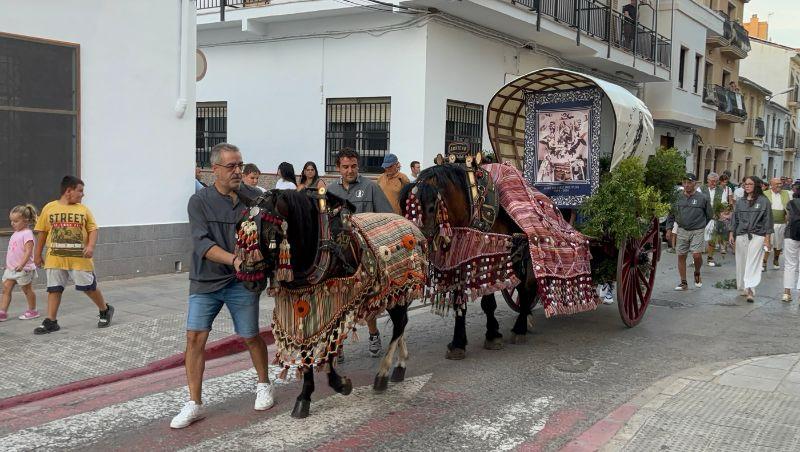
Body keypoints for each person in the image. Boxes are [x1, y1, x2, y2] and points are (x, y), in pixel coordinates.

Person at [171, 143, 274, 429]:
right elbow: (202, 244)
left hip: (242, 282)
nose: (238, 171)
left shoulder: (254, 198)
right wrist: (235, 260)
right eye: (231, 166)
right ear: (215, 169)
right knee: (194, 338)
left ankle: (264, 384)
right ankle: (194, 403)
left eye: (240, 165)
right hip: (206, 280)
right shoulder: (199, 201)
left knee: (250, 335)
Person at [327, 148, 393, 357]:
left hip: (365, 256)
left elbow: (386, 216)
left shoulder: (370, 187)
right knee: (339, 302)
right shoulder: (329, 190)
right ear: (338, 168)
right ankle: (339, 342)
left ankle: (373, 334)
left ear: (358, 166)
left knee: (367, 299)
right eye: (345, 167)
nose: (350, 170)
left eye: (353, 166)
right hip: (339, 258)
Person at [32, 176, 113, 334]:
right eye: (80, 191)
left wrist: (90, 246)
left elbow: (93, 229)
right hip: (55, 258)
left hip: (79, 259)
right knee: (54, 289)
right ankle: (51, 321)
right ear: (68, 191)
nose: (83, 194)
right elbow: (42, 233)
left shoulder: (83, 210)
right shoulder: (49, 208)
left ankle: (105, 309)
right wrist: (37, 254)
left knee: (88, 288)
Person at [729, 176, 773, 303]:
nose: (747, 186)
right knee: (741, 261)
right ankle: (744, 286)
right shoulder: (740, 201)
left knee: (752, 262)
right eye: (745, 184)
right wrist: (731, 234)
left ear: (756, 185)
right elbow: (735, 219)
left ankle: (750, 291)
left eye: (750, 184)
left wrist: (767, 239)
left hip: (758, 235)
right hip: (741, 234)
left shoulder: (764, 201)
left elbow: (768, 220)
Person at [669, 173, 713, 291]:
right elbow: (671, 213)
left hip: (697, 230)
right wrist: (669, 228)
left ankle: (697, 272)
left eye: (689, 182)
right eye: (684, 182)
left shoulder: (702, 198)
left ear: (695, 183)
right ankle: (683, 282)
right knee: (681, 255)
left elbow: (709, 215)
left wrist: (701, 225)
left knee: (696, 255)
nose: (686, 185)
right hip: (682, 229)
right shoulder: (677, 197)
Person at [1, 205, 39, 322]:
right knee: (6, 289)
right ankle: (2, 312)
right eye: (11, 221)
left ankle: (32, 310)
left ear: (26, 221)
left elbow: (28, 251)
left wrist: (22, 264)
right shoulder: (15, 233)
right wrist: (9, 265)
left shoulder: (27, 233)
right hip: (12, 269)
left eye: (16, 221)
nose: (12, 223)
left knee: (27, 290)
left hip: (23, 269)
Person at [700, 172, 732, 267]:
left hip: (715, 217)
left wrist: (723, 212)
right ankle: (697, 258)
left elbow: (724, 203)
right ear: (708, 180)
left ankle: (710, 258)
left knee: (712, 238)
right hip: (702, 217)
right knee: (699, 238)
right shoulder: (701, 189)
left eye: (716, 181)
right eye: (712, 181)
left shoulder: (721, 190)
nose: (714, 183)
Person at [764, 177, 790, 271]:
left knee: (778, 244)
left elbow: (789, 206)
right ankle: (764, 262)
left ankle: (776, 259)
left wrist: (788, 215)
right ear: (771, 185)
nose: (780, 185)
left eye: (780, 183)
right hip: (768, 223)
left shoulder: (786, 193)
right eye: (777, 184)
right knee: (768, 243)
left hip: (781, 223)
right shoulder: (765, 193)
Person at [781, 180, 800, 302]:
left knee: (790, 264)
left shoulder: (790, 203)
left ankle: (786, 293)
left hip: (791, 234)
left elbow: (787, 218)